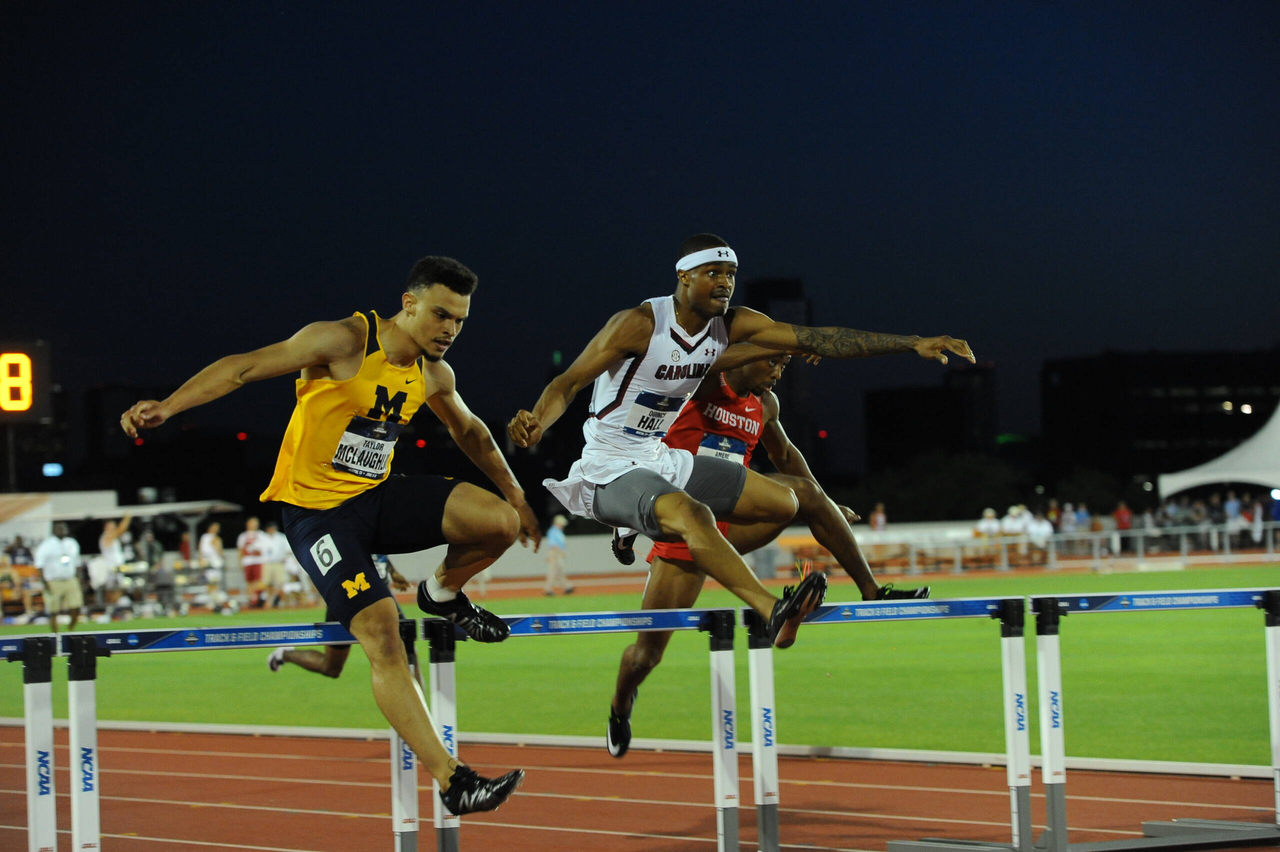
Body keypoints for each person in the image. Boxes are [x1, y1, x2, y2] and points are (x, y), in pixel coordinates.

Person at [507, 235, 971, 733]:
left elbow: (820, 338)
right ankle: (764, 612)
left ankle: (869, 591)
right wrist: (538, 419)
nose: (725, 283)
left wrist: (911, 342)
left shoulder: (732, 329)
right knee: (667, 593)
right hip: (609, 467)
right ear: (684, 276)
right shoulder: (639, 324)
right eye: (713, 274)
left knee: (789, 500)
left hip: (665, 463)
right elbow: (569, 382)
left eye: (730, 275)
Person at [121, 255, 529, 814]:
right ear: (408, 304)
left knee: (499, 522)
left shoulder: (434, 372)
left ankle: (442, 593)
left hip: (376, 498)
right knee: (385, 635)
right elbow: (242, 367)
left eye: (459, 320)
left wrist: (518, 495)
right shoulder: (342, 341)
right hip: (318, 516)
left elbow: (472, 431)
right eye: (440, 315)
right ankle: (454, 781)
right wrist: (168, 407)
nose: (449, 330)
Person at [602, 348, 929, 757]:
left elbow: (786, 456)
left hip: (733, 520)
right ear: (743, 356)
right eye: (771, 363)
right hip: (683, 526)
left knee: (805, 495)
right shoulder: (700, 386)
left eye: (784, 366)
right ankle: (619, 706)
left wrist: (823, 503)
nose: (777, 373)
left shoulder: (766, 404)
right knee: (646, 657)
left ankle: (870, 589)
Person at [268, 555, 411, 678]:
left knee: (406, 648)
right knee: (331, 668)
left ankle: (416, 707)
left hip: (379, 594)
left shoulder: (377, 527)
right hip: (346, 595)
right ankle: (285, 654)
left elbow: (379, 552)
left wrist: (392, 571)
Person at [34, 522, 82, 633]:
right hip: (53, 580)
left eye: (64, 528)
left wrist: (79, 578)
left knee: (76, 606)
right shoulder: (46, 545)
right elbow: (39, 565)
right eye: (60, 528)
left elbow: (77, 563)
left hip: (70, 579)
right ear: (54, 531)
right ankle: (56, 635)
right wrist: (44, 582)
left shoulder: (71, 543)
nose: (63, 531)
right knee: (53, 610)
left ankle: (69, 630)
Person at [237, 517, 269, 607]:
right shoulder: (243, 536)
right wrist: (240, 561)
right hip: (247, 561)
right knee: (249, 582)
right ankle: (250, 599)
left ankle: (258, 599)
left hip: (258, 561)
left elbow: (265, 548)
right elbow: (240, 550)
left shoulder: (261, 535)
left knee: (259, 581)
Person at [260, 520, 292, 607]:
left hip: (279, 563)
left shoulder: (281, 537)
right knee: (268, 584)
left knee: (281, 583)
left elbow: (289, 550)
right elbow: (253, 549)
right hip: (267, 563)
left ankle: (282, 602)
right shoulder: (263, 538)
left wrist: (284, 558)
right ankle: (269, 601)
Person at [544, 515, 573, 596]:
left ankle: (567, 586)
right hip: (555, 553)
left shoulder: (558, 531)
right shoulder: (553, 531)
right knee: (553, 571)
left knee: (559, 571)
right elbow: (553, 544)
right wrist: (561, 552)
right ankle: (548, 590)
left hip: (558, 553)